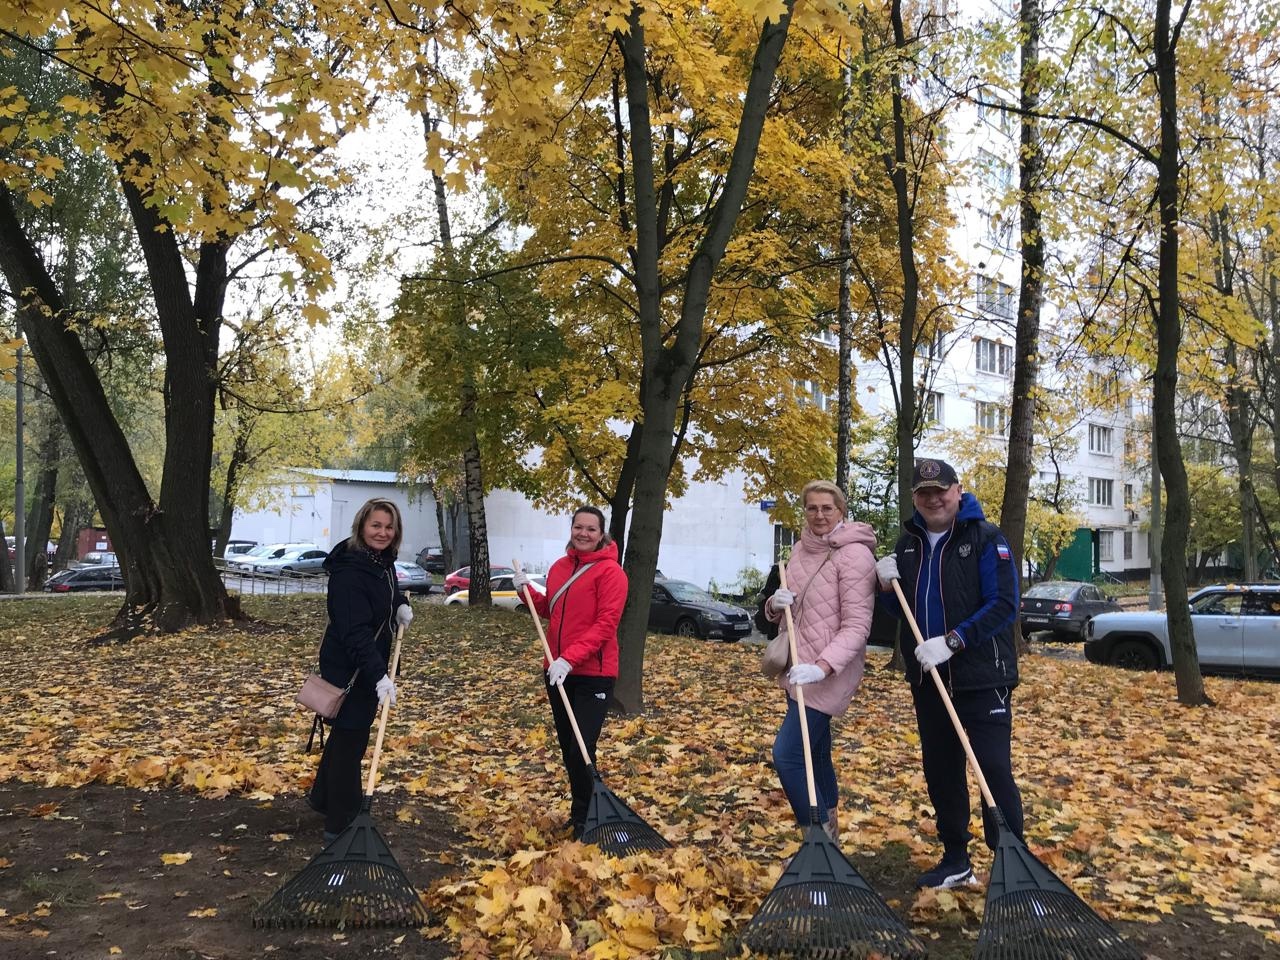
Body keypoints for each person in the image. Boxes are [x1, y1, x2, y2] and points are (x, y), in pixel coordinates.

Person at [875, 457, 1022, 889]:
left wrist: (953, 641)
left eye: (941, 490)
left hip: (981, 678)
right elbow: (897, 612)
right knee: (941, 771)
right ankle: (956, 858)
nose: (934, 498)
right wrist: (885, 589)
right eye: (924, 492)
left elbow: (1003, 605)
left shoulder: (986, 539)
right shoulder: (908, 545)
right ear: (915, 499)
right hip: (928, 681)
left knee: (992, 770)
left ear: (958, 491)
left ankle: (1013, 863)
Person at [761, 480, 877, 840]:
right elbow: (788, 615)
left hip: (828, 670)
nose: (819, 515)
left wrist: (822, 667)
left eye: (827, 508)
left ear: (841, 510)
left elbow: (858, 626)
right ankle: (829, 830)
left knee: (788, 754)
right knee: (818, 752)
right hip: (798, 664)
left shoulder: (855, 555)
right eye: (812, 508)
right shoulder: (799, 550)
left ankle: (814, 833)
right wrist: (774, 606)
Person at [513, 506, 628, 840]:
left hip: (593, 672)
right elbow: (551, 608)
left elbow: (606, 625)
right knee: (569, 747)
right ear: (572, 529)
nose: (584, 534)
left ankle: (595, 816)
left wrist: (570, 658)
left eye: (591, 529)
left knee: (583, 747)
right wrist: (526, 591)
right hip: (558, 672)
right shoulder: (560, 567)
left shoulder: (611, 573)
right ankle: (581, 817)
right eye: (579, 527)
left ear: (602, 533)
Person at [308, 498, 414, 842]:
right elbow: (354, 632)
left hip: (368, 664)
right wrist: (378, 677)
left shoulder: (381, 562)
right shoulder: (350, 571)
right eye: (376, 526)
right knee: (350, 742)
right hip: (349, 668)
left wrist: (399, 605)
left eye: (389, 526)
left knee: (345, 737)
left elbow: (389, 591)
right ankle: (340, 825)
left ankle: (322, 799)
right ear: (361, 527)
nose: (383, 532)